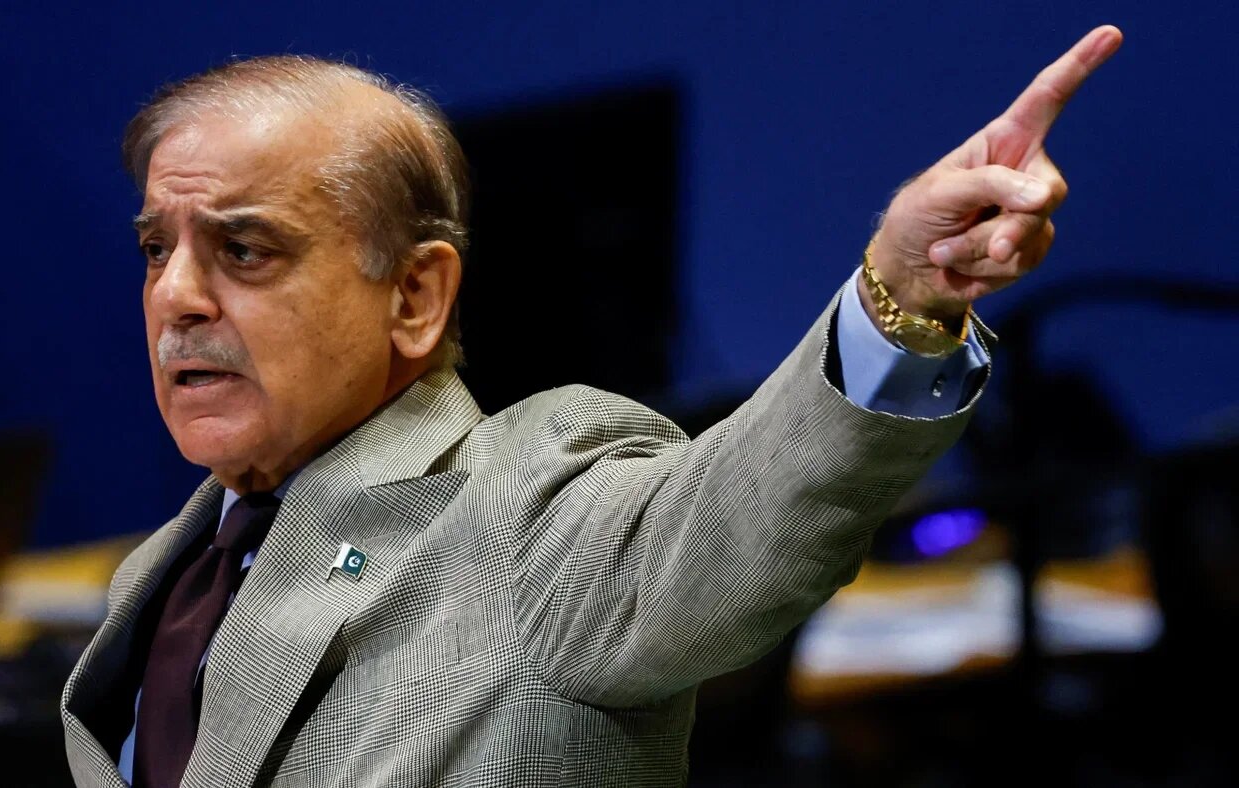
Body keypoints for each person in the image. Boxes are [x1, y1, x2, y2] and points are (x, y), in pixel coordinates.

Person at [61, 26, 1123, 788]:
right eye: (158, 247)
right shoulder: (156, 573)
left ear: (416, 294)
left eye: (243, 248)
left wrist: (903, 292)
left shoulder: (527, 508)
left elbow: (738, 512)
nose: (175, 296)